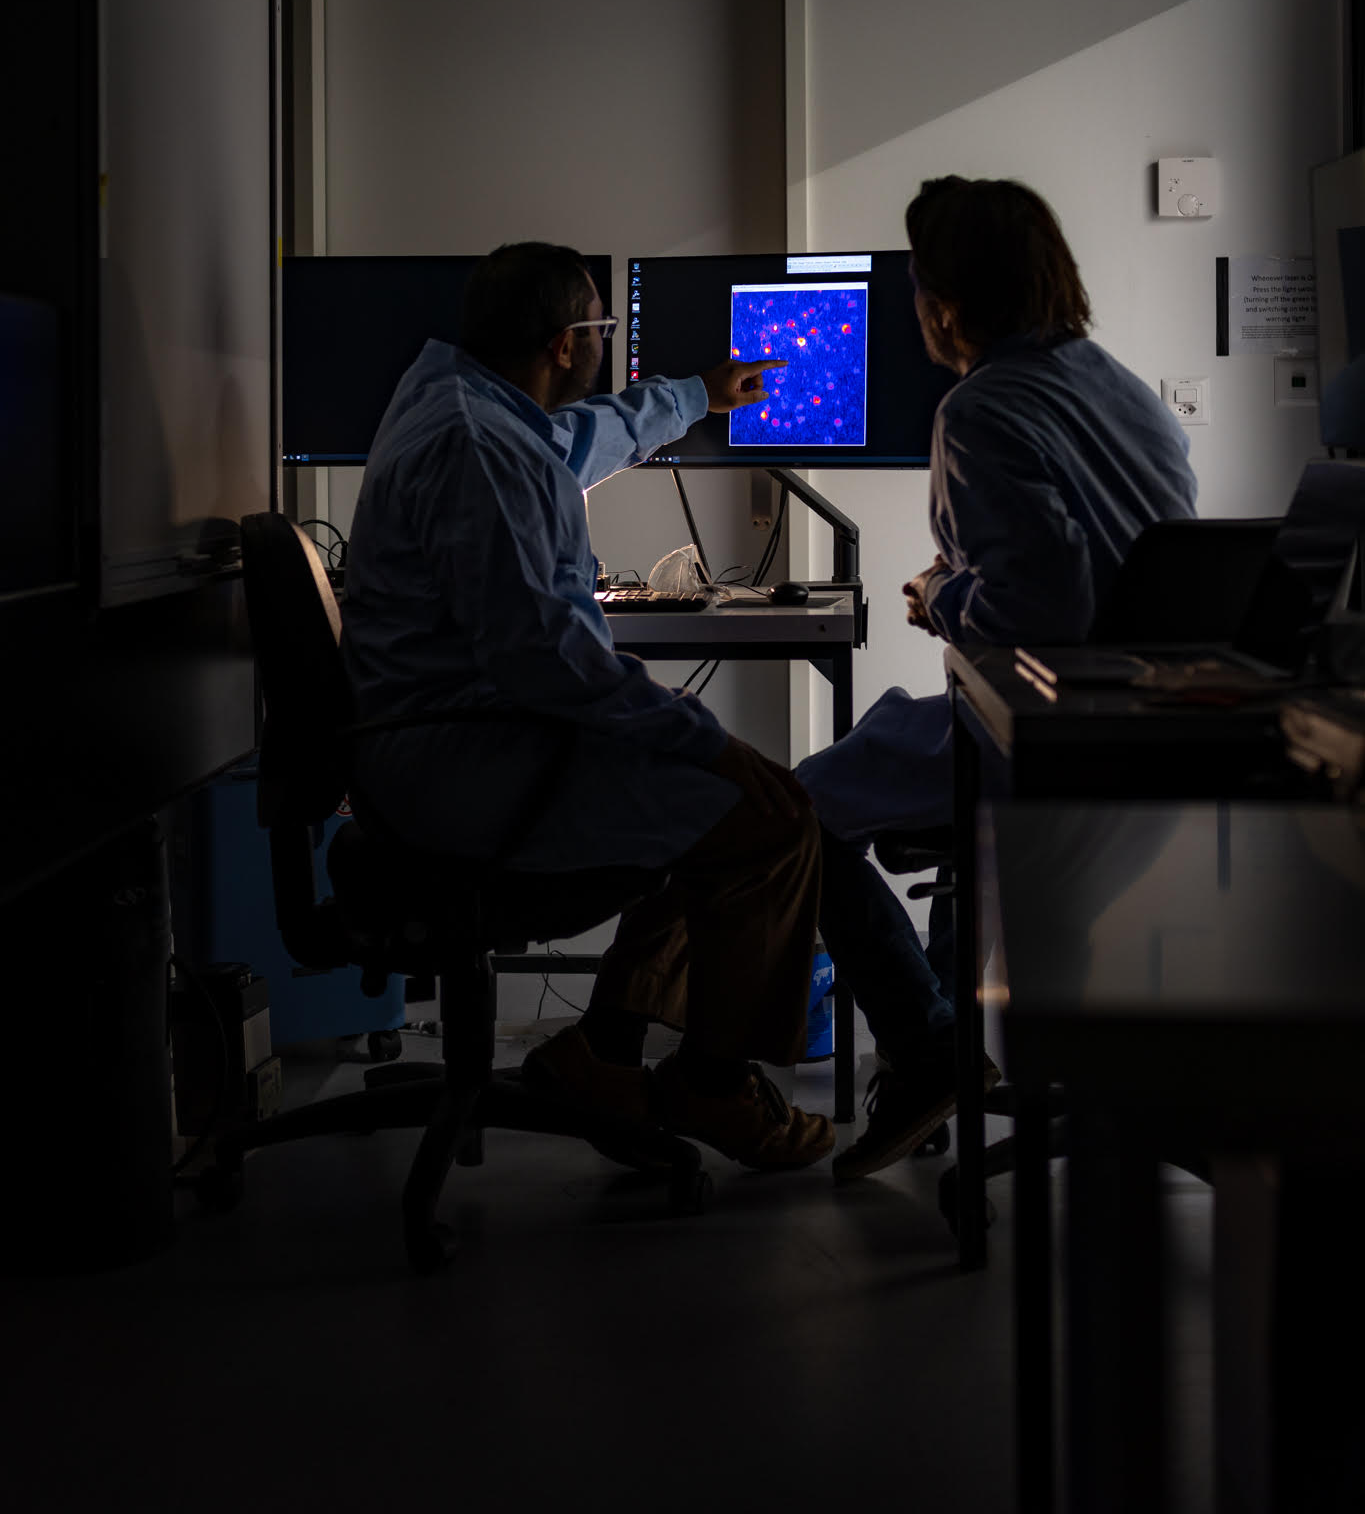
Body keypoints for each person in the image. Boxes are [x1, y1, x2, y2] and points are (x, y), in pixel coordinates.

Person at [340, 241, 834, 1172]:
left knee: (700, 796)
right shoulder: (479, 444)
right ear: (568, 344)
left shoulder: (459, 400)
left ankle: (604, 1054)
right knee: (768, 822)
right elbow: (544, 658)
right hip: (466, 762)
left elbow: (573, 443)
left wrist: (696, 395)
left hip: (443, 744)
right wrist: (710, 745)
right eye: (602, 332)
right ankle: (711, 1085)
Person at [801, 176, 1200, 1182]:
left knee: (792, 816)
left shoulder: (978, 408)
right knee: (938, 786)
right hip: (1157, 737)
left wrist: (938, 593)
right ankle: (941, 1057)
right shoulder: (1121, 387)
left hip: (1046, 731)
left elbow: (1044, 609)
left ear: (945, 301)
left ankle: (929, 1048)